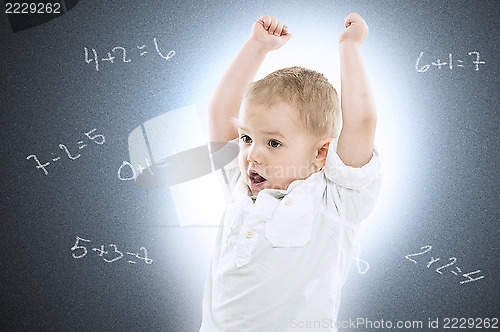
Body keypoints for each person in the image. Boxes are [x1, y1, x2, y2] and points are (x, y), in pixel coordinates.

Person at [200, 13, 381, 331]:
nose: (252, 154)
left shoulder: (334, 199)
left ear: (320, 153)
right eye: (247, 138)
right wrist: (257, 46)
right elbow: (221, 113)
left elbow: (362, 122)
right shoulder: (239, 188)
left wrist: (350, 48)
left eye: (273, 142)